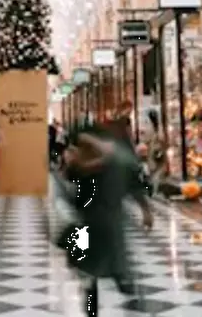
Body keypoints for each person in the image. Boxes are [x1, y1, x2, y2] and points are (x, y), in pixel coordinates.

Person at [61, 128, 153, 317]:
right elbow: (72, 173)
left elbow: (133, 186)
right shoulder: (89, 164)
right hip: (92, 225)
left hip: (106, 224)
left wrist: (145, 210)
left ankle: (131, 303)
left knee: (113, 271)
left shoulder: (109, 164)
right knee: (96, 276)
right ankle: (103, 308)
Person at [144, 109, 167, 194]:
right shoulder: (159, 127)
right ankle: (155, 190)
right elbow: (162, 140)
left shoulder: (150, 127)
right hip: (157, 151)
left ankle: (155, 191)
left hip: (154, 152)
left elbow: (146, 140)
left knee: (154, 172)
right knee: (157, 171)